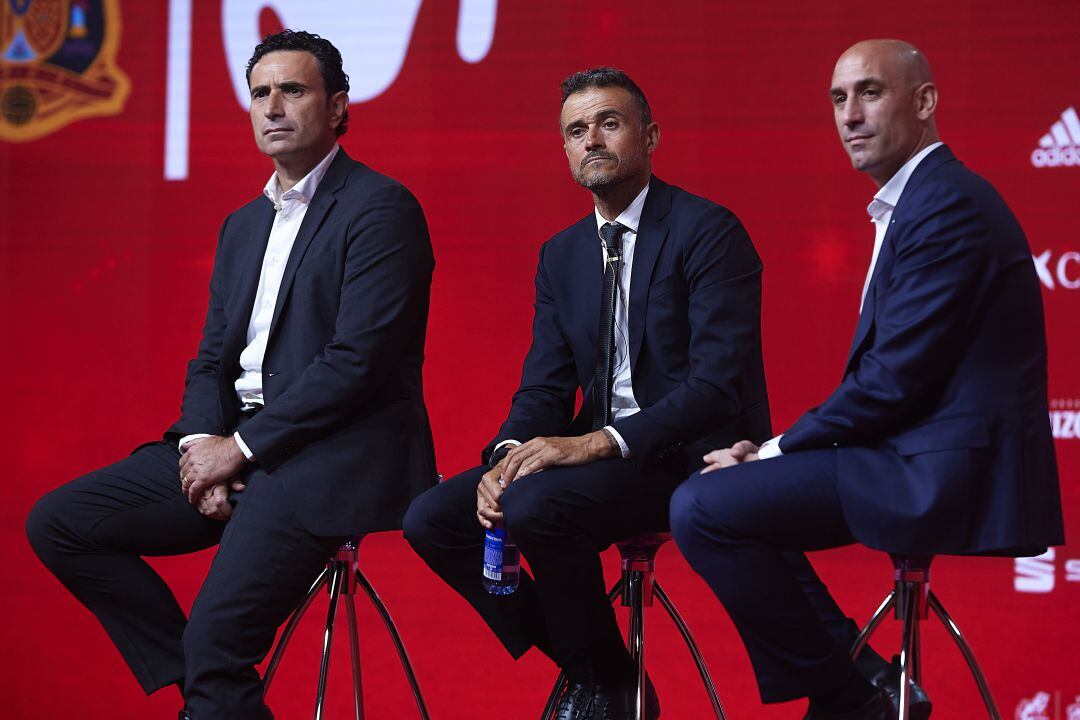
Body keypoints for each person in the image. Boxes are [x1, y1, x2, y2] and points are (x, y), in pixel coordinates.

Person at [25, 29, 437, 720]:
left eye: (294, 90)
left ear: (337, 107)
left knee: (221, 644)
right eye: (260, 93)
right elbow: (213, 358)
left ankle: (211, 687)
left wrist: (238, 452)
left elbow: (356, 363)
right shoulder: (243, 225)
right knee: (60, 524)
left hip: (326, 455)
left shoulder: (381, 208)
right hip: (237, 445)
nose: (273, 106)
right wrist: (199, 450)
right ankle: (204, 692)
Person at [670, 39, 1064, 720]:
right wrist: (767, 459)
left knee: (704, 507)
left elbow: (891, 384)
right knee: (731, 498)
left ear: (926, 101)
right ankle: (858, 685)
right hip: (907, 453)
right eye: (837, 99)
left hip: (940, 471)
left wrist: (770, 451)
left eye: (870, 92)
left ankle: (853, 694)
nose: (849, 115)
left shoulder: (947, 206)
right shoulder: (918, 203)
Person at [403, 66, 771, 719]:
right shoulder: (562, 253)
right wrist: (507, 455)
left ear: (650, 135)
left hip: (684, 459)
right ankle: (600, 671)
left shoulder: (708, 231)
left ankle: (596, 681)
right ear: (566, 150)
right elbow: (545, 382)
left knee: (538, 506)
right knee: (434, 518)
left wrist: (596, 443)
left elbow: (718, 386)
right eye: (577, 130)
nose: (592, 140)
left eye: (609, 123)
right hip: (597, 462)